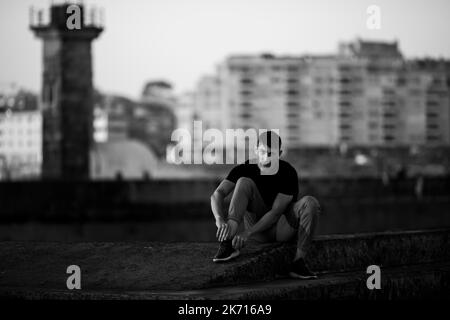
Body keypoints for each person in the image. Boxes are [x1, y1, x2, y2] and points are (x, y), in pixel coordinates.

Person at [210, 130, 321, 279]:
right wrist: (219, 220)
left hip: (281, 230)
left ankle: (298, 262)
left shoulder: (288, 172)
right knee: (243, 182)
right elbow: (217, 194)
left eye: (271, 153)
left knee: (310, 202)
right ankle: (227, 243)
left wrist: (247, 233)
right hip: (258, 233)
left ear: (280, 153)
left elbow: (275, 213)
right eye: (262, 152)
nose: (266, 158)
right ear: (256, 150)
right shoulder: (246, 168)